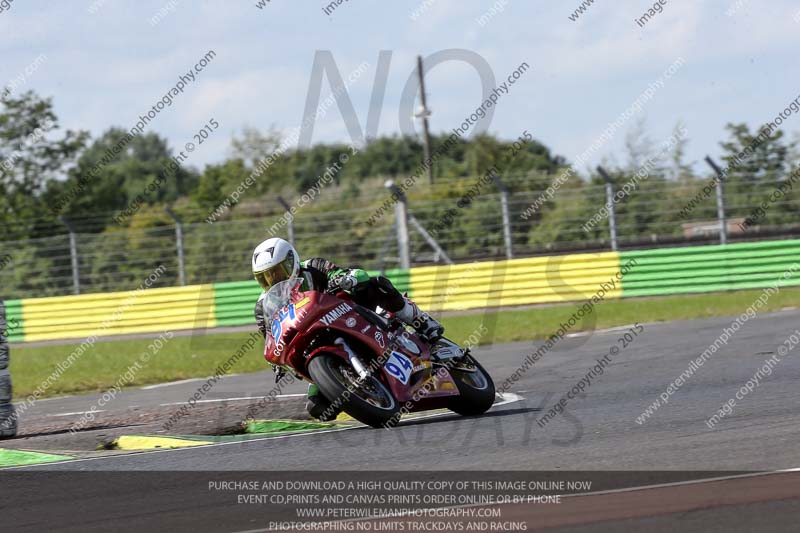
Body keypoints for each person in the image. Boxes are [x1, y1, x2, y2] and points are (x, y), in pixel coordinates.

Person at [252, 237, 444, 420]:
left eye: (277, 272)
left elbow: (338, 273)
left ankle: (423, 321)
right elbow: (269, 336)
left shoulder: (313, 267)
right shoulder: (263, 306)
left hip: (346, 315)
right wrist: (276, 363)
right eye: (265, 278)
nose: (273, 281)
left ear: (292, 261)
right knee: (318, 408)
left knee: (376, 285)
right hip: (313, 342)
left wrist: (345, 278)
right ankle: (366, 393)